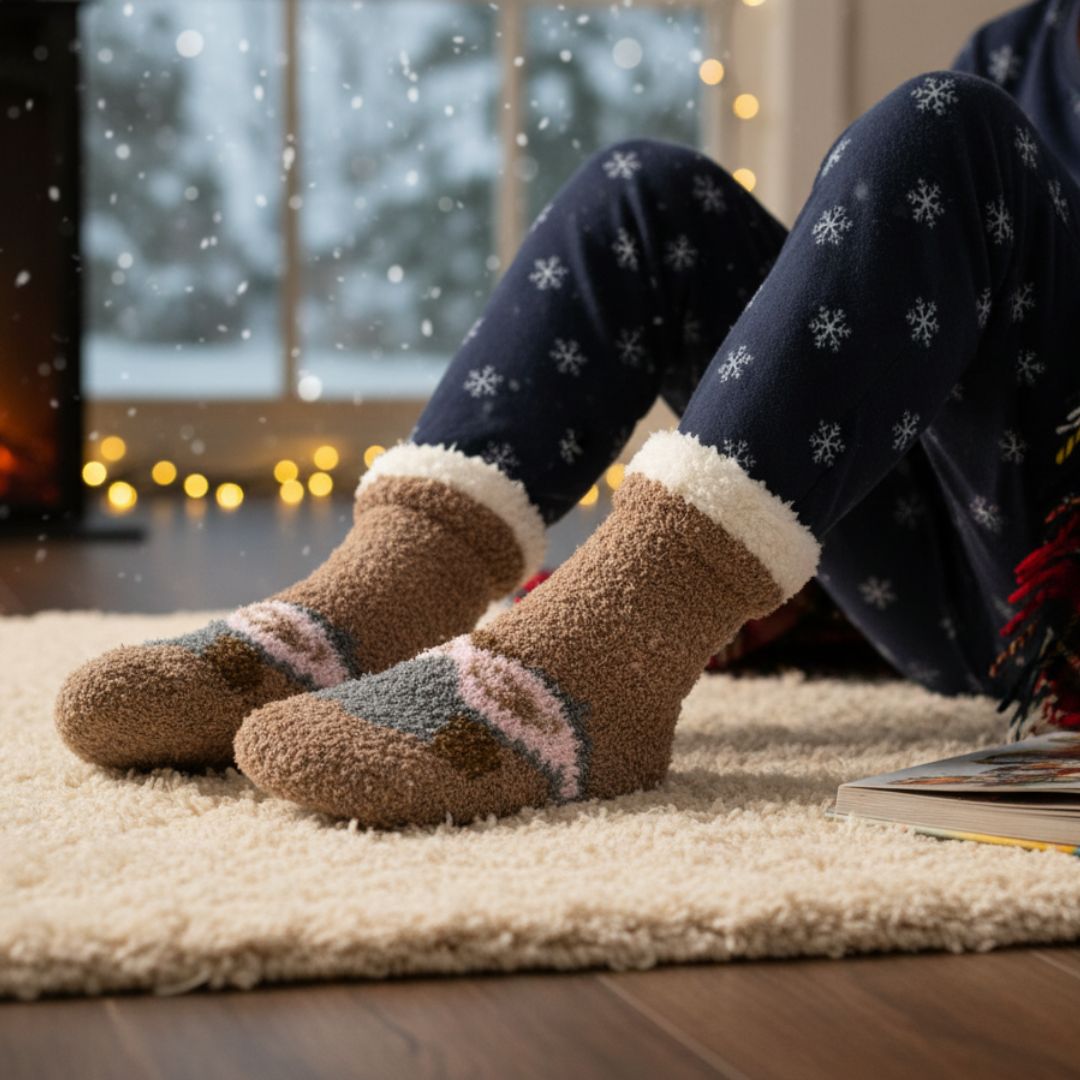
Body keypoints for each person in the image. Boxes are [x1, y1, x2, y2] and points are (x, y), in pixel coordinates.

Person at [55, 0, 1080, 828]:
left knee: (951, 126)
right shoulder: (1030, 43)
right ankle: (365, 610)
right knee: (643, 193)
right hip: (973, 574)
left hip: (1060, 600)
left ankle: (616, 651)